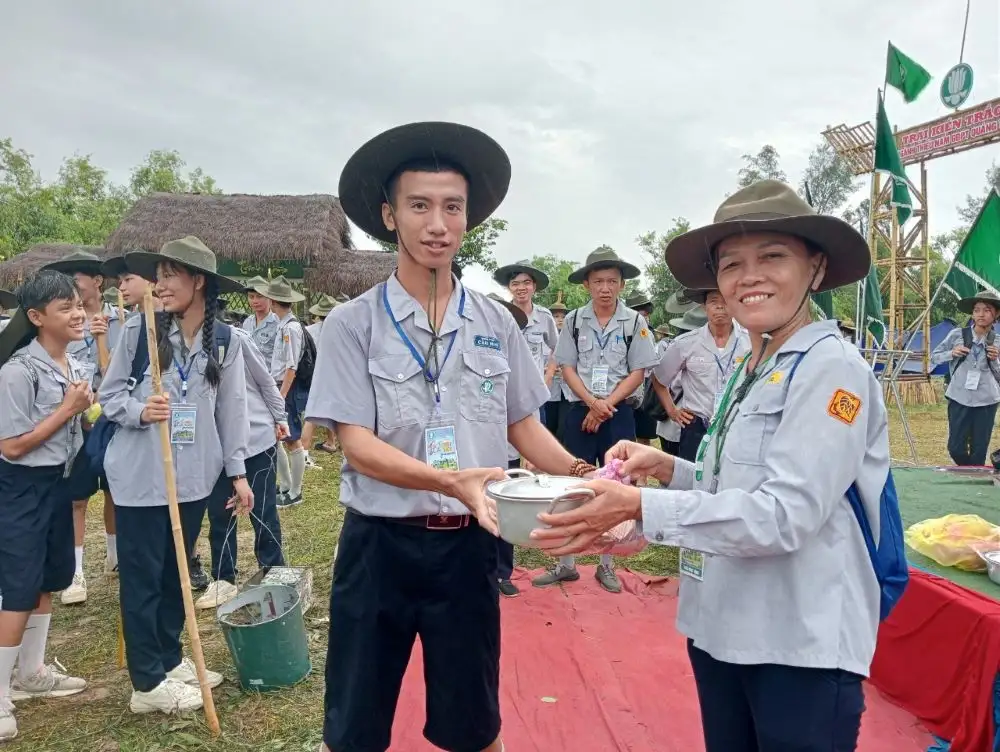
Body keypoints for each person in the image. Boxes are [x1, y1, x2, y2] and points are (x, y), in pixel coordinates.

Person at [535, 180, 892, 752]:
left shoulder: (831, 370)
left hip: (796, 643)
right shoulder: (756, 366)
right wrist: (666, 468)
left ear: (816, 268)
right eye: (731, 265)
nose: (749, 277)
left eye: (772, 257)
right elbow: (729, 484)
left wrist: (640, 505)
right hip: (722, 628)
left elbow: (785, 515)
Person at [307, 121, 594, 752]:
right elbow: (355, 442)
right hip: (379, 545)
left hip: (469, 549)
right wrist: (448, 479)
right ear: (390, 216)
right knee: (354, 725)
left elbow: (523, 425)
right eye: (419, 206)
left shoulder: (497, 322)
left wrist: (584, 477)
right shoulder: (353, 324)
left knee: (474, 725)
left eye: (452, 207)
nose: (437, 224)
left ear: (468, 219)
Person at [99, 236, 251, 716]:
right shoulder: (138, 331)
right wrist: (141, 410)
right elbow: (110, 395)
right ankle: (147, 683)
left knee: (176, 574)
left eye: (170, 276)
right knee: (143, 578)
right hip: (141, 480)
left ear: (199, 281)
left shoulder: (225, 340)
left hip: (194, 479)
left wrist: (238, 472)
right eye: (158, 276)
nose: (159, 285)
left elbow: (232, 411)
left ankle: (168, 658)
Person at [535, 247, 659, 594]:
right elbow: (567, 367)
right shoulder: (575, 321)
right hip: (579, 410)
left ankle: (607, 564)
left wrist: (605, 405)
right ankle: (566, 564)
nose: (605, 288)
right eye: (599, 281)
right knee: (571, 484)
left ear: (622, 285)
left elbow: (638, 371)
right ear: (586, 285)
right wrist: (591, 403)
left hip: (618, 414)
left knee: (617, 484)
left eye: (612, 281)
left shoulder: (635, 322)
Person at [0, 272, 91, 742]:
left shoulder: (72, 364)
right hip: (22, 487)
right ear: (36, 317)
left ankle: (31, 672)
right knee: (18, 586)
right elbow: (12, 446)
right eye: (65, 308)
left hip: (58, 481)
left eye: (78, 304)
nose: (78, 314)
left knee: (49, 577)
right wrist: (67, 410)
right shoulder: (18, 372)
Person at [41, 250, 122, 605]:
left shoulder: (123, 320)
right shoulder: (63, 324)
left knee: (115, 491)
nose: (72, 290)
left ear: (97, 281)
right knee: (77, 498)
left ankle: (114, 556)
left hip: (112, 419)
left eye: (76, 281)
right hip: (75, 422)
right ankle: (76, 573)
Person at [197, 321, 288, 610]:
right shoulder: (178, 343)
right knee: (219, 513)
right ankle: (223, 577)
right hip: (216, 444)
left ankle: (274, 570)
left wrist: (280, 416)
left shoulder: (234, 338)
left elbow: (265, 380)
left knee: (263, 511)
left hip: (254, 438)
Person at [651, 288, 749, 462]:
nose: (720, 307)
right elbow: (658, 378)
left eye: (726, 301)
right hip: (696, 427)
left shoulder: (750, 342)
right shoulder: (685, 343)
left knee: (733, 475)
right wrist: (672, 411)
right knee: (692, 475)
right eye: (713, 301)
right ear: (704, 307)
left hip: (737, 423)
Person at [252, 276, 309, 507]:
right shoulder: (284, 325)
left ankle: (295, 491)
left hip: (286, 387)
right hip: (279, 385)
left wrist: (281, 395)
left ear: (274, 302)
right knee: (280, 438)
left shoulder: (291, 328)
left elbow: (291, 366)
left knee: (292, 440)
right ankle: (286, 485)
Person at [487, 292, 530, 598]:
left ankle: (503, 572)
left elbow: (528, 412)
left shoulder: (516, 359)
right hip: (471, 458)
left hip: (508, 452)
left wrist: (529, 453)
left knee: (506, 513)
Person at [931, 291, 1000, 466]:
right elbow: (934, 357)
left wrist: (996, 359)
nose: (981, 314)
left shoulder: (998, 341)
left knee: (979, 450)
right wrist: (951, 353)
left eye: (987, 310)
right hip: (959, 396)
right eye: (977, 310)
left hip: (987, 400)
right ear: (972, 313)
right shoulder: (957, 335)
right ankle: (971, 469)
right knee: (955, 448)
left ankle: (974, 476)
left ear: (996, 314)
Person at [492, 260, 559, 421]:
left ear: (534, 287)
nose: (521, 288)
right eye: (515, 284)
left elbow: (558, 348)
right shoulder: (499, 314)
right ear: (509, 288)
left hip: (534, 394)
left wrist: (548, 377)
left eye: (526, 283)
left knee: (536, 434)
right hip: (505, 392)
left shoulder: (544, 316)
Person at [655, 306, 707, 455]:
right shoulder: (684, 350)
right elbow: (667, 382)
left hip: (673, 427)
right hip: (679, 426)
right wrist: (672, 411)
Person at [301, 295, 338, 459]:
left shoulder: (309, 330)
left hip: (312, 374)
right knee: (318, 413)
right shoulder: (340, 330)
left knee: (320, 410)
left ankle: (330, 442)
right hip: (333, 375)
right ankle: (304, 451)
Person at [626, 292, 659, 446]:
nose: (643, 315)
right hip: (625, 384)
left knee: (644, 431)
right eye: (638, 311)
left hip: (645, 384)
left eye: (645, 312)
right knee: (625, 431)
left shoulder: (648, 332)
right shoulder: (621, 330)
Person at [543, 291, 570, 439]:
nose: (560, 319)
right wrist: (548, 369)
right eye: (556, 316)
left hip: (567, 390)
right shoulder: (542, 339)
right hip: (549, 390)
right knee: (548, 428)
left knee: (564, 429)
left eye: (563, 317)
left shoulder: (573, 338)